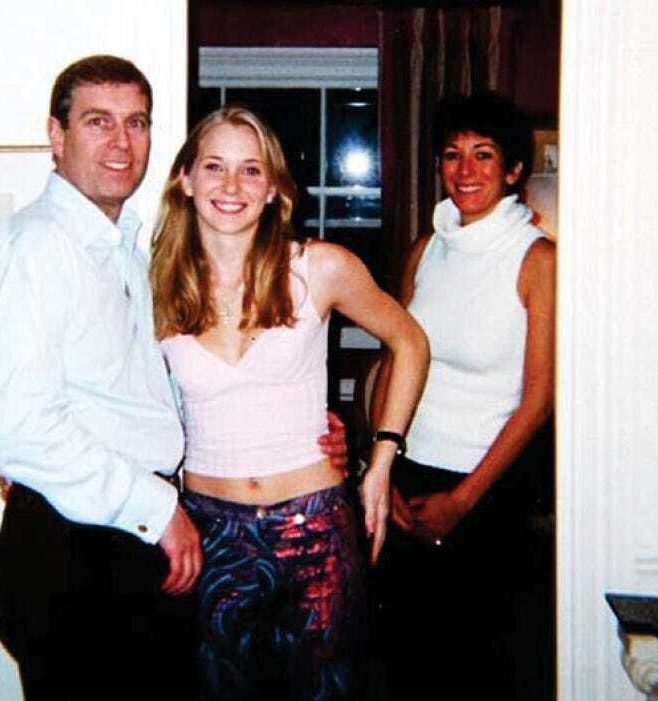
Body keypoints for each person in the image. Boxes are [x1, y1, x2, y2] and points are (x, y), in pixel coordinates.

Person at [0, 55, 348, 700]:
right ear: (56, 136)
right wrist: (159, 509)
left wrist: (309, 429)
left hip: (130, 541)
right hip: (77, 548)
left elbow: (153, 392)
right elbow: (21, 428)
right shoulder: (36, 246)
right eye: (98, 122)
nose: (121, 142)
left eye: (136, 123)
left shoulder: (131, 252)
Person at [150, 105, 429, 700]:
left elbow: (410, 342)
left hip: (316, 530)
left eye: (251, 170)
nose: (231, 185)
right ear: (185, 180)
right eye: (214, 166)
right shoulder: (155, 285)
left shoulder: (319, 268)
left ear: (274, 189)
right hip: (209, 533)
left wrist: (381, 460)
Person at [370, 92, 557, 699]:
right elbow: (394, 360)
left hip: (488, 490)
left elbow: (540, 398)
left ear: (514, 170)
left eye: (484, 154)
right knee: (406, 666)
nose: (465, 170)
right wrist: (382, 470)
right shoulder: (426, 249)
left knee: (478, 673)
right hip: (408, 476)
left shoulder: (538, 260)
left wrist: (464, 500)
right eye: (452, 155)